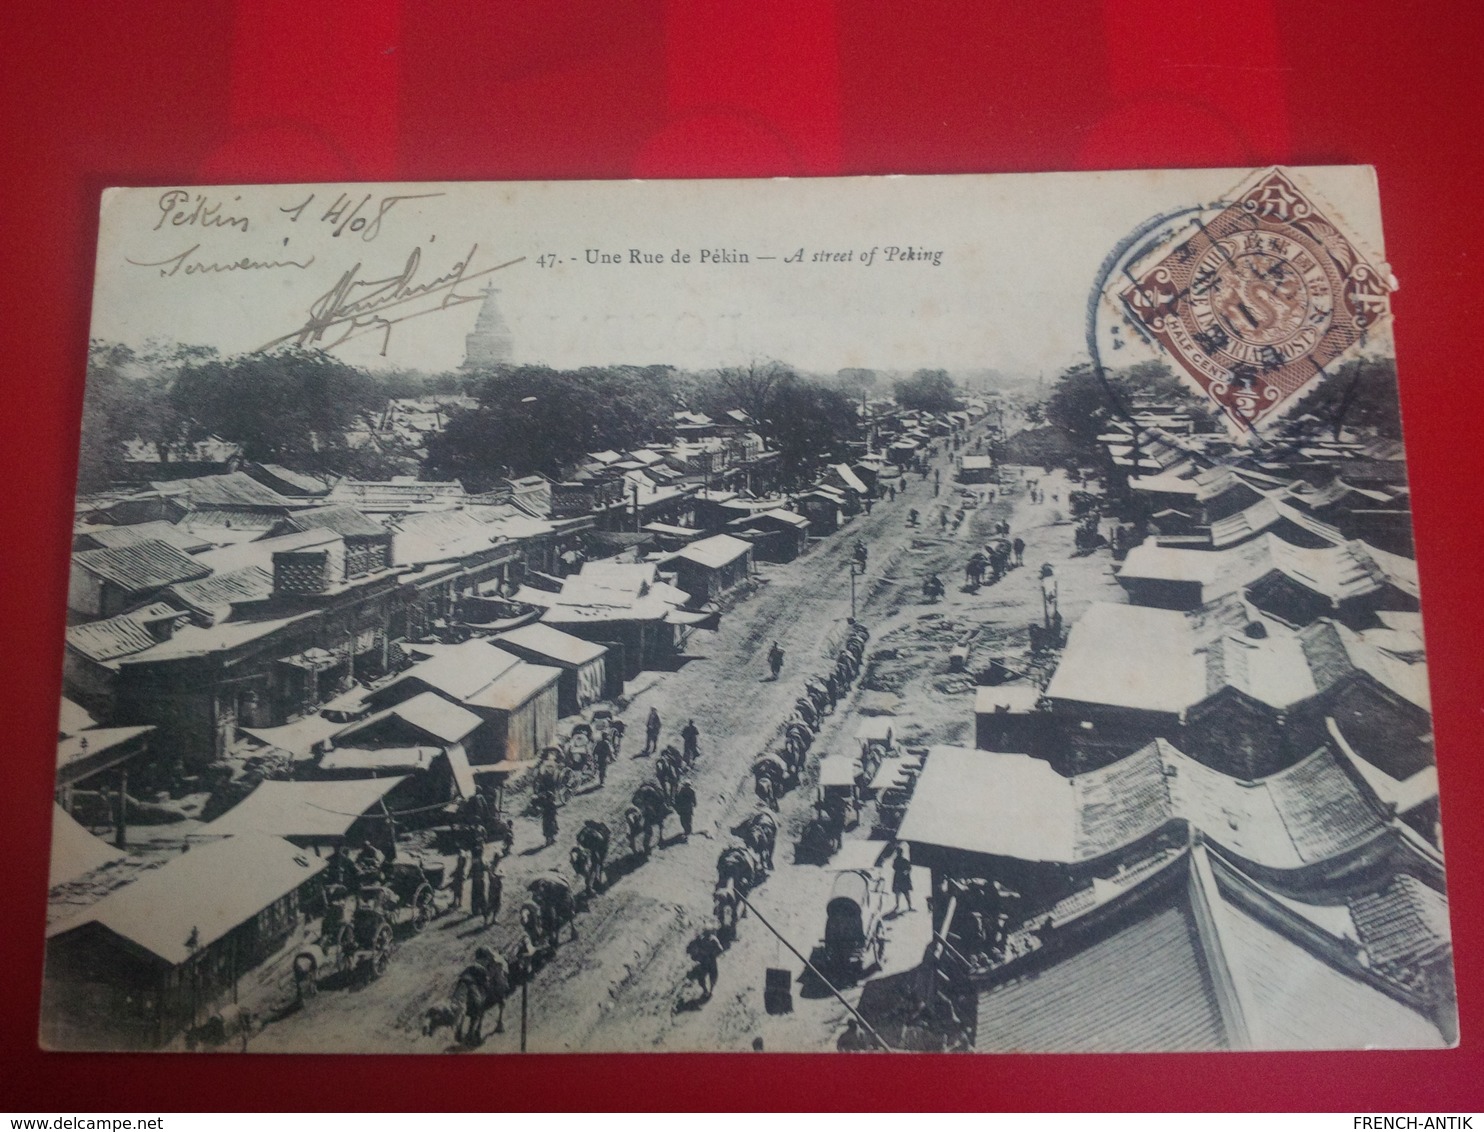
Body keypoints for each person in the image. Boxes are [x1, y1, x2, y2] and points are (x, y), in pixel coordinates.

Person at [688, 929, 724, 1001]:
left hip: (710, 961)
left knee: (712, 976)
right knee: (703, 978)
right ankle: (706, 991)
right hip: (704, 962)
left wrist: (711, 954)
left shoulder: (713, 940)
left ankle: (710, 991)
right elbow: (691, 953)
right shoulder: (698, 942)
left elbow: (720, 949)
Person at [892, 846, 914, 913]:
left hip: (900, 879)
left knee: (902, 893)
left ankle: (905, 906)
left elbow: (909, 868)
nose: (899, 854)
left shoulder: (901, 860)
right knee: (902, 893)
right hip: (901, 879)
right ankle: (904, 906)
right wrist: (906, 871)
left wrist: (906, 871)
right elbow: (894, 867)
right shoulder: (898, 860)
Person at [470, 850, 488, 920]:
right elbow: (485, 868)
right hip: (480, 880)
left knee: (475, 896)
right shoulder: (481, 860)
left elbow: (471, 871)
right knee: (481, 896)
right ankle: (483, 910)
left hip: (475, 880)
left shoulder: (475, 860)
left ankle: (475, 910)